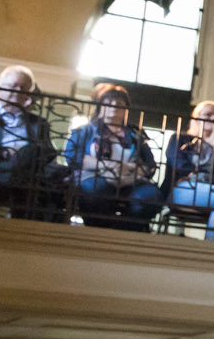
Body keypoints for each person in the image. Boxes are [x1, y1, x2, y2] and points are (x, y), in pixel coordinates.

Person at [0, 64, 64, 219]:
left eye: (24, 88)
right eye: (13, 86)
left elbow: (47, 153)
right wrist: (7, 151)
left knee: (36, 157)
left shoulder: (38, 123)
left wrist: (22, 154)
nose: (18, 91)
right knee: (28, 159)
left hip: (28, 175)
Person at [63, 83, 160, 229]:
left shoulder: (136, 135)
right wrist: (105, 165)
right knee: (95, 191)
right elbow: (72, 155)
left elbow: (150, 164)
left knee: (150, 197)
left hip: (130, 179)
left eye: (119, 103)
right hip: (94, 176)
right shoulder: (85, 131)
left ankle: (128, 230)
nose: (114, 106)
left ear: (126, 110)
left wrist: (130, 169)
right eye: (109, 103)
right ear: (101, 108)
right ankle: (100, 230)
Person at [162, 100, 214, 242]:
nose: (212, 119)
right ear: (196, 118)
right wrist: (201, 176)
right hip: (183, 189)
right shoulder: (179, 139)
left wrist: (213, 145)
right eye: (208, 115)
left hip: (212, 191)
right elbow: (178, 163)